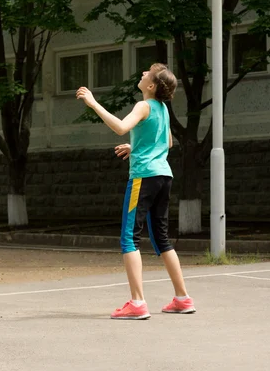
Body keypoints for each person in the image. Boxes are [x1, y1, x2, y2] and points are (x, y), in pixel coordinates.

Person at [76, 63, 195, 320]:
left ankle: (137, 303)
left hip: (144, 177)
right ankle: (183, 298)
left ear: (151, 86)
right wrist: (136, 148)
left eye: (146, 74)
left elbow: (120, 127)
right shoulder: (162, 109)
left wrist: (94, 103)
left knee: (129, 238)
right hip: (164, 175)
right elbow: (168, 142)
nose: (142, 74)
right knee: (161, 238)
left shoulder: (144, 105)